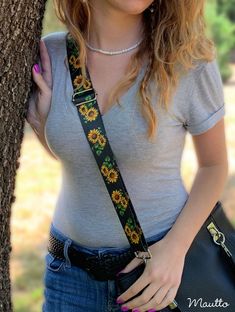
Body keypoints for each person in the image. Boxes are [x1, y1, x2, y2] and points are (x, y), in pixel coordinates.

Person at [26, 0, 228, 311]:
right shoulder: (50, 56)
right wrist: (44, 128)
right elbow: (87, 163)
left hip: (156, 276)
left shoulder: (187, 60)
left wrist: (175, 250)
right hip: (68, 277)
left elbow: (214, 167)